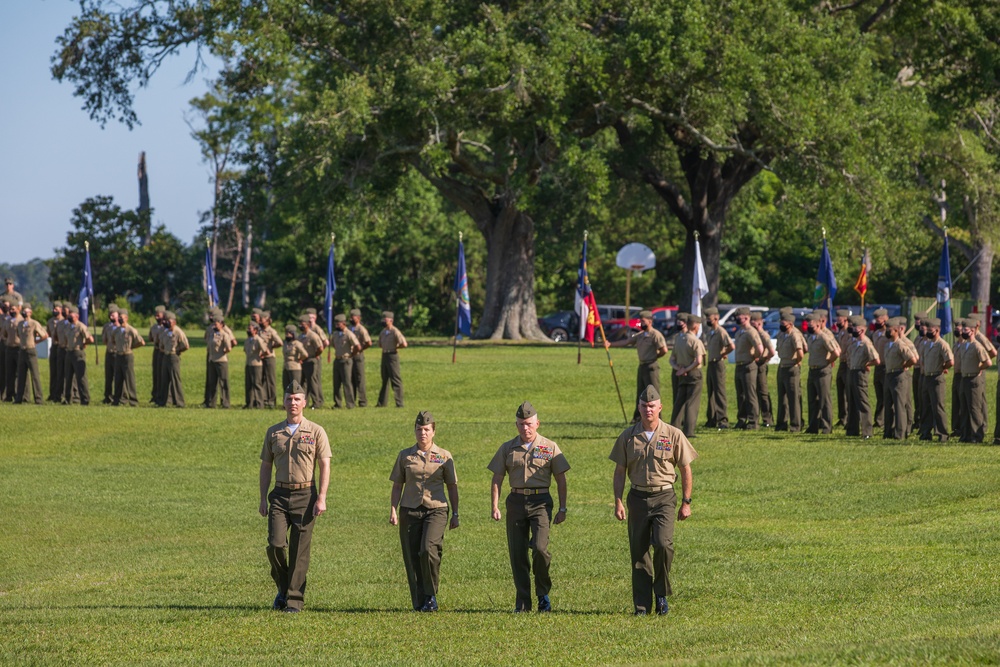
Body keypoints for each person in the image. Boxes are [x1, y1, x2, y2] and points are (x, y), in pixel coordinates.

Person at [610, 385, 696, 616]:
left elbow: (686, 469)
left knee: (663, 544)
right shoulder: (628, 436)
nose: (647, 410)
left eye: (651, 406)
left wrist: (686, 502)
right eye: (643, 406)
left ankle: (661, 593)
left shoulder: (673, 434)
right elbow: (619, 472)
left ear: (660, 407)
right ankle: (641, 606)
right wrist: (618, 501)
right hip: (637, 497)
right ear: (638, 408)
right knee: (638, 552)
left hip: (664, 497)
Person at [488, 401, 569, 613]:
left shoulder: (550, 447)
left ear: (537, 423)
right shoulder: (507, 448)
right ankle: (523, 602)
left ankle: (543, 594)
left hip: (541, 502)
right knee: (518, 553)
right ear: (516, 425)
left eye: (529, 424)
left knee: (540, 549)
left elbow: (561, 479)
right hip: (515, 502)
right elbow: (497, 478)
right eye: (521, 424)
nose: (525, 428)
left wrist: (563, 508)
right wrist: (494, 506)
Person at [259, 380, 331, 613]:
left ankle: (294, 601)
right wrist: (262, 498)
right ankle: (283, 587)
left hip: (305, 495)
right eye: (289, 399)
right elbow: (265, 467)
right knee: (275, 545)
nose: (293, 403)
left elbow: (324, 464)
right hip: (279, 495)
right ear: (284, 402)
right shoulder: (273, 432)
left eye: (297, 399)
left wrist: (321, 497)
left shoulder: (316, 431)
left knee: (299, 551)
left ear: (305, 403)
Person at [389, 410, 459, 612]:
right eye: (419, 429)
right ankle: (419, 601)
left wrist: (455, 513)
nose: (423, 433)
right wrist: (393, 510)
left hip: (436, 509)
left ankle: (430, 595)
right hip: (409, 510)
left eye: (427, 429)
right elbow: (397, 485)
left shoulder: (444, 456)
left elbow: (452, 486)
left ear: (433, 431)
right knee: (412, 556)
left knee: (428, 550)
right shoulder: (405, 455)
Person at [607, 310, 669, 423]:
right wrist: (610, 344)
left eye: (643, 321)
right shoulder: (640, 335)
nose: (641, 323)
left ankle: (658, 418)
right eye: (640, 321)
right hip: (642, 366)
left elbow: (664, 350)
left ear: (650, 321)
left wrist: (654, 357)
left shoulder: (655, 335)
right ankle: (637, 417)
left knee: (653, 393)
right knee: (641, 393)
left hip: (651, 367)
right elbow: (627, 341)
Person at [955, 318, 991, 443]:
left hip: (974, 379)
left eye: (965, 330)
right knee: (964, 408)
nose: (963, 332)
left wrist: (979, 368)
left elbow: (988, 362)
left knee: (974, 409)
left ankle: (977, 435)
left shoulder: (977, 346)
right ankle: (965, 435)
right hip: (964, 379)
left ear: (972, 331)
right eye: (962, 329)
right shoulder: (964, 345)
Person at [882, 317, 918, 440]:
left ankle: (900, 433)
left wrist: (904, 366)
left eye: (890, 330)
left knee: (899, 405)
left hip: (898, 375)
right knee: (888, 405)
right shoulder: (888, 345)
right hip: (888, 375)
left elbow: (912, 359)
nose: (887, 331)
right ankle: (887, 432)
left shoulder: (900, 345)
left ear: (897, 330)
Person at [669, 314, 705, 437]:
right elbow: (698, 360)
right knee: (691, 402)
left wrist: (679, 369)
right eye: (699, 325)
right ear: (695, 326)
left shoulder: (679, 339)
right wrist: (687, 369)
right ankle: (689, 431)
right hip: (693, 373)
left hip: (681, 373)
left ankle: (674, 428)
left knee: (679, 401)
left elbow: (672, 359)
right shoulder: (695, 341)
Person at [918, 318, 953, 442]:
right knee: (926, 406)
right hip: (927, 377)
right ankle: (926, 433)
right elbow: (922, 359)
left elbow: (950, 361)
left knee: (938, 406)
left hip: (937, 377)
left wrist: (942, 367)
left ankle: (942, 434)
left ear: (937, 330)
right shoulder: (927, 344)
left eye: (930, 330)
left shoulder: (942, 344)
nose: (927, 332)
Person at [805, 313, 840, 434]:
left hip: (822, 371)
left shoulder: (824, 337)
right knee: (812, 400)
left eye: (812, 326)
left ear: (819, 325)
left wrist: (829, 361)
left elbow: (836, 352)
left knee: (824, 400)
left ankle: (826, 426)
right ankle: (813, 426)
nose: (810, 328)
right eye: (809, 325)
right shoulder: (810, 338)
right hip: (812, 370)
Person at [845, 315, 879, 439]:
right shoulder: (854, 343)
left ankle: (867, 431)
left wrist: (866, 364)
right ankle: (852, 429)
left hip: (860, 373)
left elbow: (876, 359)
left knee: (862, 403)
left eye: (856, 328)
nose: (853, 330)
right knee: (852, 402)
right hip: (852, 372)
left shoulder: (866, 343)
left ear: (862, 330)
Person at [701, 307, 734, 429]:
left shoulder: (721, 331)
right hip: (711, 363)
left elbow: (731, 345)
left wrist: (722, 354)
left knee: (719, 392)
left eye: (709, 318)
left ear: (716, 318)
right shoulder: (710, 332)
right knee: (711, 392)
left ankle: (722, 420)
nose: (707, 321)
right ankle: (711, 419)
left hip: (718, 363)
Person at [732, 307, 763, 430]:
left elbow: (760, 348)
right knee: (741, 395)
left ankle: (753, 421)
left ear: (746, 317)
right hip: (739, 366)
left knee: (750, 395)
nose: (737, 319)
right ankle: (741, 419)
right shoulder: (740, 332)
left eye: (739, 317)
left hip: (748, 365)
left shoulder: (751, 332)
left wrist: (754, 357)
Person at [774, 312, 806, 432]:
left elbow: (801, 352)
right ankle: (781, 424)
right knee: (782, 398)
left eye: (784, 324)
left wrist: (797, 362)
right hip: (782, 366)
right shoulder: (781, 335)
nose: (782, 325)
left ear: (790, 324)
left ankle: (795, 425)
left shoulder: (794, 335)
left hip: (791, 367)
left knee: (793, 398)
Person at [15, 304, 48, 404]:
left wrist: (35, 341)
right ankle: (19, 398)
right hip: (22, 350)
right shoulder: (20, 324)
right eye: (23, 311)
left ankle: (38, 398)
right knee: (21, 376)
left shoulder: (34, 323)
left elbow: (45, 335)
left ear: (30, 312)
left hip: (31, 351)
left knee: (35, 375)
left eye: (27, 311)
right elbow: (18, 335)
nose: (25, 313)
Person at [112, 309, 145, 407]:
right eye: (119, 318)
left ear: (126, 318)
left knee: (129, 378)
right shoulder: (116, 330)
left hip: (127, 356)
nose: (120, 319)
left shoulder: (131, 330)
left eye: (121, 317)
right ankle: (117, 400)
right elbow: (113, 341)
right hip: (118, 355)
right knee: (118, 378)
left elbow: (141, 342)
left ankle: (133, 400)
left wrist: (132, 347)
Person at [377, 311, 408, 408]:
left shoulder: (395, 331)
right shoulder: (383, 332)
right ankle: (382, 403)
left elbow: (404, 343)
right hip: (384, 355)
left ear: (391, 320)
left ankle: (399, 403)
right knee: (384, 379)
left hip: (392, 356)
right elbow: (380, 344)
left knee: (395, 379)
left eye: (385, 320)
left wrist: (396, 348)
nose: (384, 321)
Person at [64, 305, 93, 405]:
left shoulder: (81, 326)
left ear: (77, 316)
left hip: (78, 352)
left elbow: (90, 338)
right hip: (69, 352)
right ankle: (67, 399)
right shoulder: (67, 326)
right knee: (68, 377)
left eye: (71, 314)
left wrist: (84, 344)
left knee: (81, 377)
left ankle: (85, 399)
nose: (69, 316)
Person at [158, 311, 189, 407]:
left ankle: (179, 402)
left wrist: (177, 350)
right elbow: (161, 345)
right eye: (165, 320)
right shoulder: (165, 331)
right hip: (165, 356)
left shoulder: (178, 331)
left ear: (174, 322)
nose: (166, 322)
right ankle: (164, 401)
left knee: (175, 379)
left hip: (173, 356)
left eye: (168, 321)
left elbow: (186, 345)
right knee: (164, 379)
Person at [205, 313, 235, 409]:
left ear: (222, 324)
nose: (214, 325)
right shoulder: (211, 334)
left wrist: (222, 352)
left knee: (223, 382)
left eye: (216, 323)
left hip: (221, 361)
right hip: (212, 360)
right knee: (212, 382)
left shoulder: (224, 335)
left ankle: (225, 402)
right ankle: (211, 403)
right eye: (214, 323)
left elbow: (229, 347)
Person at [331, 314, 361, 409]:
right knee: (336, 383)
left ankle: (350, 403)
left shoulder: (349, 334)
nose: (336, 325)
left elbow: (358, 346)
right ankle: (337, 403)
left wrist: (352, 354)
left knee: (347, 383)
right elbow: (333, 344)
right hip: (337, 360)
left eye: (338, 323)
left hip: (346, 360)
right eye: (335, 323)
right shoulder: (335, 334)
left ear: (344, 323)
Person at [750, 311, 774, 427]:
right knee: (753, 391)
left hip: (760, 364)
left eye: (755, 324)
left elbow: (771, 351)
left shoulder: (763, 335)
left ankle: (767, 418)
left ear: (760, 323)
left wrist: (763, 359)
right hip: (753, 364)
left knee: (762, 392)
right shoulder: (752, 333)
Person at [297, 315, 325, 409]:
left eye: (303, 324)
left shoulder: (313, 335)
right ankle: (304, 402)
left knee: (312, 382)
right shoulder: (300, 336)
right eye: (300, 324)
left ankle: (316, 402)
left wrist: (315, 355)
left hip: (311, 360)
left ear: (308, 324)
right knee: (303, 383)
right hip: (303, 361)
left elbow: (320, 348)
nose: (301, 325)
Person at [260, 312, 283, 408]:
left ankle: (272, 400)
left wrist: (270, 348)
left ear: (267, 321)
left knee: (270, 380)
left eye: (262, 320)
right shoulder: (259, 331)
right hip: (260, 358)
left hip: (269, 358)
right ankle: (264, 399)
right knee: (262, 379)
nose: (261, 322)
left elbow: (280, 342)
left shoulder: (271, 331)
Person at [349, 308, 372, 407]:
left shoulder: (361, 329)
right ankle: (351, 399)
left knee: (359, 378)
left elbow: (369, 342)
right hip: (350, 356)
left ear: (358, 318)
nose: (351, 319)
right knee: (351, 379)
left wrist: (360, 349)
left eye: (353, 317)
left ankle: (362, 401)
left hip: (358, 356)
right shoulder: (350, 328)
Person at [834, 309, 852, 427]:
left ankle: (850, 417)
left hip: (848, 364)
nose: (837, 322)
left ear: (845, 320)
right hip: (841, 363)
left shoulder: (849, 333)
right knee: (840, 391)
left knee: (849, 392)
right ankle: (842, 417)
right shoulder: (840, 332)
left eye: (839, 320)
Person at [244, 321, 267, 409]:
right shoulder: (247, 340)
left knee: (257, 384)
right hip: (248, 363)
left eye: (250, 329)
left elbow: (265, 350)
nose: (248, 330)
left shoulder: (258, 340)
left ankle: (260, 404)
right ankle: (249, 403)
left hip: (256, 364)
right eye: (248, 328)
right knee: (248, 384)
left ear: (255, 330)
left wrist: (261, 355)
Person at [3, 301, 23, 402]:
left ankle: (22, 395)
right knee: (9, 373)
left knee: (20, 373)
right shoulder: (7, 321)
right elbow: (4, 334)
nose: (12, 311)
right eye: (11, 309)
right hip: (9, 348)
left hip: (18, 348)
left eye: (14, 309)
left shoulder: (22, 321)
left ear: (18, 309)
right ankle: (9, 395)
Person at [46, 302, 65, 402]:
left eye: (57, 309)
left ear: (61, 310)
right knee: (53, 371)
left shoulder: (64, 321)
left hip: (61, 347)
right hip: (54, 347)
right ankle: (52, 394)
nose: (55, 311)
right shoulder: (50, 321)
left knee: (61, 372)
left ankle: (60, 393)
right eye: (54, 309)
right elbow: (49, 333)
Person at [101, 305, 120, 404]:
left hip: (118, 353)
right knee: (108, 376)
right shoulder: (107, 326)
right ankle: (107, 396)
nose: (111, 316)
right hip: (109, 352)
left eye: (113, 314)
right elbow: (104, 340)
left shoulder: (121, 327)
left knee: (118, 377)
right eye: (110, 314)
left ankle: (119, 396)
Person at [282, 324, 309, 389]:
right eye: (286, 333)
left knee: (295, 388)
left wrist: (299, 359)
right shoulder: (285, 343)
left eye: (289, 333)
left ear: (293, 334)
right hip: (286, 367)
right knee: (286, 388)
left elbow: (305, 354)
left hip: (295, 367)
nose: (287, 335)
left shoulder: (297, 343)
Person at [150, 306, 166, 404]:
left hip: (164, 351)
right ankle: (155, 395)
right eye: (155, 315)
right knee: (155, 373)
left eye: (158, 315)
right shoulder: (154, 327)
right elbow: (150, 338)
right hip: (156, 350)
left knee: (162, 374)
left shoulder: (166, 328)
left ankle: (162, 395)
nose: (156, 317)